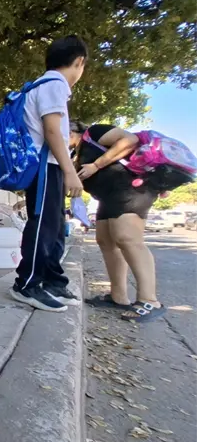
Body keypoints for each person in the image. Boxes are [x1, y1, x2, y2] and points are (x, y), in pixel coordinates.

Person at [10, 35, 86, 312]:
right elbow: (52, 131)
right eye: (83, 67)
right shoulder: (54, 85)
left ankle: (53, 281)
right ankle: (26, 284)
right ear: (79, 62)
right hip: (47, 166)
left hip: (49, 167)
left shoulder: (47, 86)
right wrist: (70, 171)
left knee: (54, 227)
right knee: (43, 224)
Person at [69, 121, 166, 321]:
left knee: (128, 239)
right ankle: (118, 296)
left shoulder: (94, 133)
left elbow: (130, 140)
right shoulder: (76, 154)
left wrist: (96, 165)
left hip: (131, 189)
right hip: (108, 197)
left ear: (72, 130)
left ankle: (150, 300)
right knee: (106, 241)